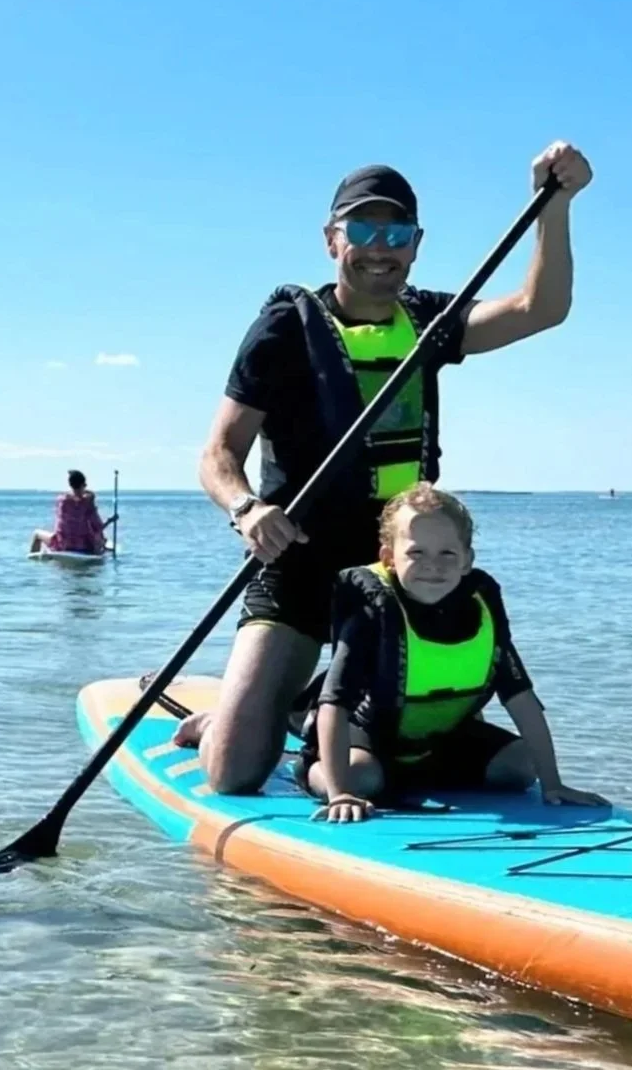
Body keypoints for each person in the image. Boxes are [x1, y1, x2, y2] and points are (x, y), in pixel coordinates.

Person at [174, 140, 594, 794]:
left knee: (427, 731)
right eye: (362, 228)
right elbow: (217, 455)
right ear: (330, 240)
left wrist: (556, 205)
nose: (380, 246)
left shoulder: (429, 320)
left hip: (393, 571)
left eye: (396, 231)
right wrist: (247, 509)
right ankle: (234, 717)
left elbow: (542, 309)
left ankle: (306, 713)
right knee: (232, 774)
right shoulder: (285, 329)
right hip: (298, 560)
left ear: (416, 243)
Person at [299, 483, 610, 823]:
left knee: (522, 766)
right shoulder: (374, 612)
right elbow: (335, 704)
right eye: (417, 553)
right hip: (369, 738)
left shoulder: (482, 608)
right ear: (389, 557)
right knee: (365, 780)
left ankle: (421, 778)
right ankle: (313, 771)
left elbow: (521, 699)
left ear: (467, 560)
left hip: (440, 742)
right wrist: (339, 792)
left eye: (447, 553)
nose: (433, 565)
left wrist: (553, 784)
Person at [29, 469, 117, 555]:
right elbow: (98, 526)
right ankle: (99, 551)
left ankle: (32, 562)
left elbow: (72, 496)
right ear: (83, 485)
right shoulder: (87, 502)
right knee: (97, 533)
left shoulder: (61, 500)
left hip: (62, 545)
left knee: (36, 534)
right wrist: (110, 520)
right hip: (84, 547)